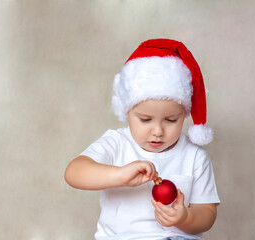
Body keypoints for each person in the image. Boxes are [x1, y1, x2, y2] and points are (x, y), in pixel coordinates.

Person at [64, 39, 220, 240]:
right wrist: (119, 175)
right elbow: (74, 172)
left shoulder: (194, 156)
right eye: (145, 120)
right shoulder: (117, 143)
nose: (157, 131)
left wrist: (185, 217)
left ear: (185, 114)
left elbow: (207, 213)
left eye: (171, 120)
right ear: (126, 111)